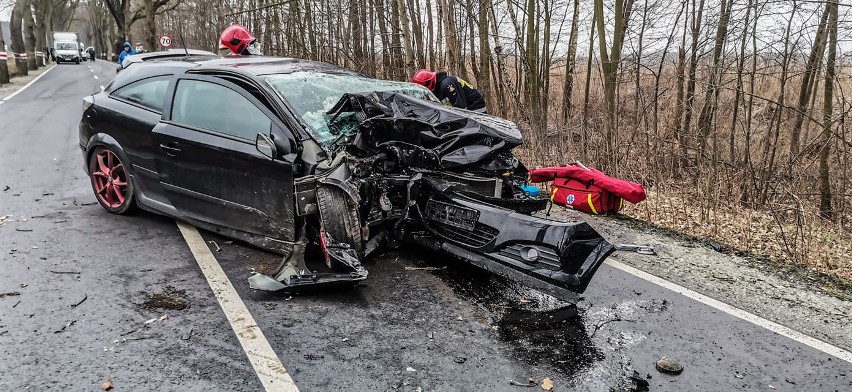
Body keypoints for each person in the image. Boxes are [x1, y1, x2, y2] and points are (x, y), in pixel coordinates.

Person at [412, 69, 487, 113]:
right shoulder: (437, 88)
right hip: (467, 111)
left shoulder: (447, 84)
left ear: (428, 83)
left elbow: (461, 108)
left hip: (475, 109)